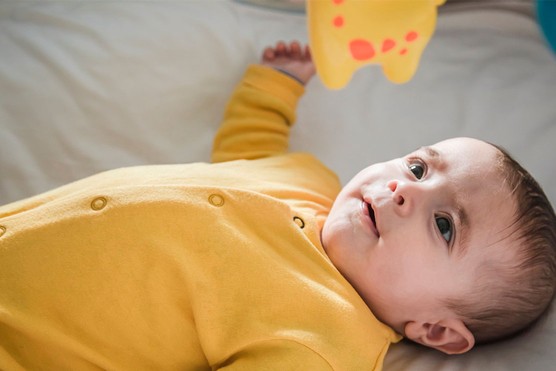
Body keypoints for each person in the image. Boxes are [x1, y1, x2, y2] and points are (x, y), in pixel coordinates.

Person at [0, 41, 555, 370]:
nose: (403, 190)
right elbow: (249, 151)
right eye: (418, 167)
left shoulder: (322, 341)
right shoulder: (309, 178)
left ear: (435, 331)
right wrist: (275, 89)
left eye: (444, 224)